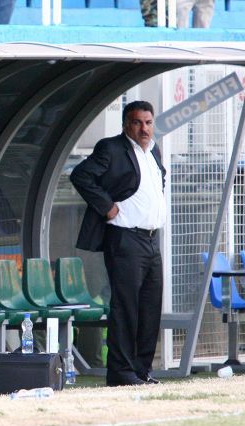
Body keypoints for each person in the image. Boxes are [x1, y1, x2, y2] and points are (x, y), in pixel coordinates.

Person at [69, 100, 165, 387]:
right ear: (126, 124)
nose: (144, 129)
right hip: (125, 238)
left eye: (148, 123)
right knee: (126, 307)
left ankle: (142, 370)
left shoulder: (154, 150)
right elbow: (81, 175)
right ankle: (121, 373)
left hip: (151, 240)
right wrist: (107, 206)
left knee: (150, 308)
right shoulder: (111, 148)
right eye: (137, 123)